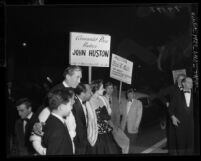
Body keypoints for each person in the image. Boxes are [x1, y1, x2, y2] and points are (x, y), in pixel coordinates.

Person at [30, 65, 82, 155]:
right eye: (77, 77)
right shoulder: (56, 91)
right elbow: (43, 115)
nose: (79, 81)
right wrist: (37, 132)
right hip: (60, 140)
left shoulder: (71, 90)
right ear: (68, 77)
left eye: (80, 78)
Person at [89, 79, 121, 154]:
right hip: (97, 135)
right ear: (96, 89)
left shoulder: (102, 99)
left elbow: (108, 116)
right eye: (102, 88)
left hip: (106, 132)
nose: (104, 89)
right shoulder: (89, 101)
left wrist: (112, 125)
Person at [158, 73, 186, 154]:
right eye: (179, 79)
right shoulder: (172, 88)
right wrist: (166, 102)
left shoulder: (187, 88)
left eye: (182, 79)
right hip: (173, 114)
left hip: (184, 116)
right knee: (173, 136)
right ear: (177, 80)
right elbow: (160, 94)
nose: (180, 81)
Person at [42, 88, 75, 155]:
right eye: (70, 105)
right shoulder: (57, 130)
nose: (72, 108)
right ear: (61, 107)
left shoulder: (52, 121)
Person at [169, 77, 194, 155]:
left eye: (192, 82)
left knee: (191, 145)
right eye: (189, 82)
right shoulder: (177, 94)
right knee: (181, 145)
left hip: (193, 125)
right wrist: (173, 117)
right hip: (180, 124)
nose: (191, 84)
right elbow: (170, 108)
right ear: (183, 83)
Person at [103, 81, 129, 154]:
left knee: (126, 141)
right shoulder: (101, 99)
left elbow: (117, 114)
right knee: (109, 148)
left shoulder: (115, 99)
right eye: (108, 88)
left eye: (111, 88)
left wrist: (116, 126)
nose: (110, 90)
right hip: (105, 128)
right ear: (105, 89)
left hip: (115, 127)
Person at [72, 83, 93, 154]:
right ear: (83, 93)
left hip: (82, 141)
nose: (91, 94)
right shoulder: (74, 104)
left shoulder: (80, 103)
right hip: (78, 143)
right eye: (89, 92)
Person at [120, 88, 143, 154]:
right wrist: (119, 105)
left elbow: (139, 115)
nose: (130, 95)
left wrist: (136, 126)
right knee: (124, 144)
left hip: (132, 127)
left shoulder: (138, 103)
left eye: (131, 94)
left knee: (132, 145)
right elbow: (121, 112)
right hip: (124, 127)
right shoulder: (124, 102)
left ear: (134, 95)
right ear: (127, 95)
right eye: (128, 94)